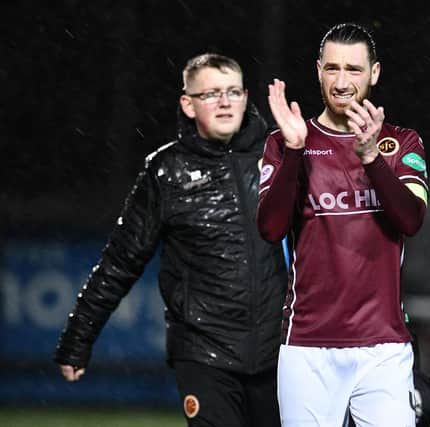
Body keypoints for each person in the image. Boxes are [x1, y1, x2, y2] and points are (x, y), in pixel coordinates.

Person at [54, 53, 288, 427]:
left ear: (246, 97)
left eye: (233, 91)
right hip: (204, 353)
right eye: (211, 93)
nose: (225, 102)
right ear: (188, 104)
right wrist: (78, 338)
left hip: (280, 353)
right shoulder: (166, 171)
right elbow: (120, 261)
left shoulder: (279, 156)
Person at [257, 23, 430, 427]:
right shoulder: (285, 141)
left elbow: (410, 219)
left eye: (353, 69)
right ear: (318, 71)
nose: (341, 81)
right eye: (332, 68)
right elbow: (270, 229)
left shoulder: (401, 142)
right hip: (307, 345)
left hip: (383, 345)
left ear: (374, 73)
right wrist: (295, 151)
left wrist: (371, 158)